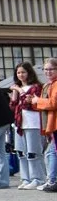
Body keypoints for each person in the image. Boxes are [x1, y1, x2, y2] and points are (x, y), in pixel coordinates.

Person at [8, 62, 45, 190]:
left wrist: (18, 90)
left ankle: (38, 178)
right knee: (21, 152)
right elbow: (13, 107)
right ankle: (26, 178)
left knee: (33, 152)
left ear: (29, 72)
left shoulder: (36, 87)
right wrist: (15, 94)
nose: (20, 75)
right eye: (18, 72)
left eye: (23, 72)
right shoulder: (18, 88)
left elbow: (27, 104)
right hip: (19, 124)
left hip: (33, 123)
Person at [31, 58, 57, 192]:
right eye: (45, 69)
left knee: (51, 153)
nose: (48, 71)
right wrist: (34, 102)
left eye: (51, 69)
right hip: (51, 124)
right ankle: (52, 180)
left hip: (55, 124)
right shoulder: (48, 85)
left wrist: (38, 100)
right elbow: (43, 106)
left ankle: (52, 181)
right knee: (50, 152)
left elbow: (53, 103)